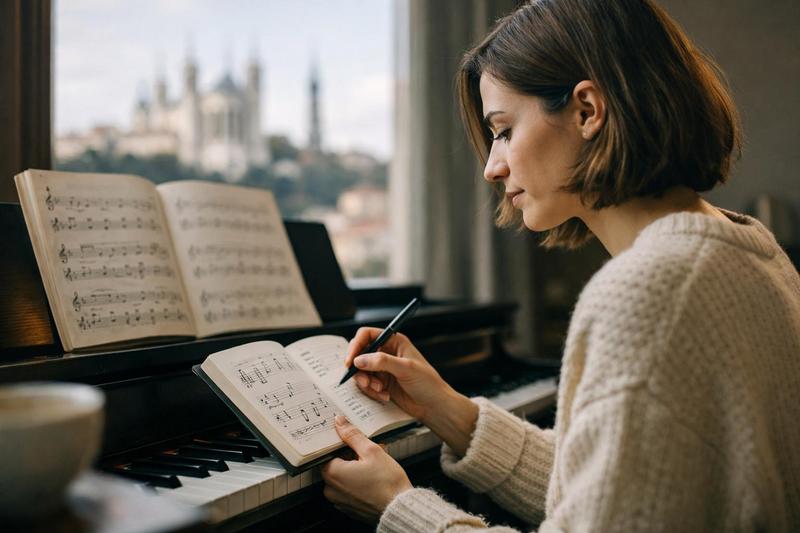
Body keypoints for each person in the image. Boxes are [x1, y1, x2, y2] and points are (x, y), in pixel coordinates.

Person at [321, 0, 800, 530]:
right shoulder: (751, 249)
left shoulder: (649, 293)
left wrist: (398, 507)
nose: (491, 167)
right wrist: (445, 410)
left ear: (587, 111)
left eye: (504, 130)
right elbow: (620, 485)